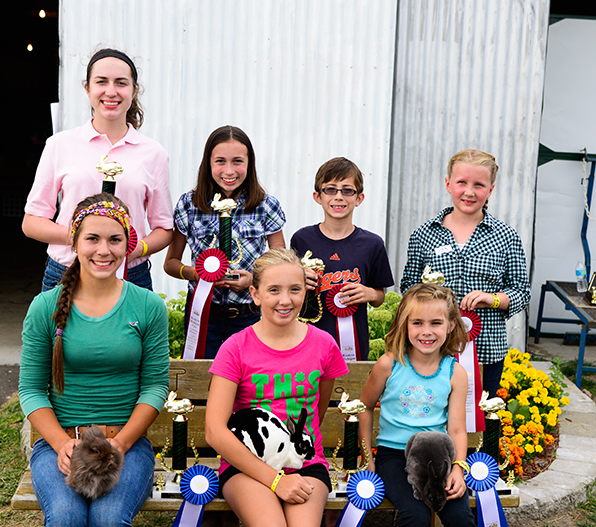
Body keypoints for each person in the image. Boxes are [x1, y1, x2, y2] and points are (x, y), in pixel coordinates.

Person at [19, 193, 169, 527]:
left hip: (126, 442)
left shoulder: (147, 305)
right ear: (75, 241)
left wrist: (120, 442)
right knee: (66, 524)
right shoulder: (46, 306)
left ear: (128, 245)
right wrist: (60, 443)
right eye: (92, 239)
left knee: (107, 524)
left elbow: (155, 386)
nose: (104, 250)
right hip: (60, 443)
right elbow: (31, 390)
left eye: (115, 240)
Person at [205, 248, 352, 527]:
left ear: (306, 291)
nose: (285, 300)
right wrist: (274, 479)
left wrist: (294, 465)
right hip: (246, 467)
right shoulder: (236, 347)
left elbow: (317, 408)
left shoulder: (324, 345)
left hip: (305, 465)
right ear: (254, 294)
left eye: (295, 289)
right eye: (273, 290)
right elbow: (214, 431)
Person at [358, 284, 483, 527]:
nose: (426, 332)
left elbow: (456, 429)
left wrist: (457, 467)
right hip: (394, 458)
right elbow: (364, 407)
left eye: (436, 323)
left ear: (451, 325)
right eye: (418, 323)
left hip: (438, 459)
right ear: (404, 323)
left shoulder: (455, 373)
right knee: (415, 515)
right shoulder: (389, 364)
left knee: (460, 516)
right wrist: (366, 458)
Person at [23, 47, 173, 292]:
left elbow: (164, 228)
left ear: (134, 91)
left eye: (121, 83)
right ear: (87, 89)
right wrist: (78, 238)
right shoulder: (59, 145)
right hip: (66, 271)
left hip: (129, 274)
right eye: (101, 82)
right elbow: (31, 222)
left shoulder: (154, 154)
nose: (111, 92)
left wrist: (137, 248)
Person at [400, 149, 531, 397]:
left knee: (480, 427)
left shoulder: (507, 237)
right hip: (431, 350)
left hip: (486, 352)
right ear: (449, 184)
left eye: (479, 185)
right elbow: (408, 287)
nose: (469, 192)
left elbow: (521, 292)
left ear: (490, 190)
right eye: (462, 182)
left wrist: (491, 299)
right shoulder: (423, 235)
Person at [164, 125, 286, 358]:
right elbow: (170, 263)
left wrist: (254, 279)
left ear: (249, 164)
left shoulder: (266, 205)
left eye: (237, 161)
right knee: (200, 382)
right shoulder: (189, 204)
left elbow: (281, 266)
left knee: (249, 384)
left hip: (250, 313)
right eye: (220, 161)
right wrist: (196, 274)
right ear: (208, 163)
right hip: (202, 313)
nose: (229, 170)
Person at [290, 157, 394, 361]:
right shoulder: (301, 239)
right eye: (330, 189)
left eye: (347, 190)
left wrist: (369, 293)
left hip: (352, 345)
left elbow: (380, 297)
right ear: (317, 196)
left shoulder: (372, 244)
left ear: (359, 198)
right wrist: (298, 281)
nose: (338, 197)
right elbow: (287, 288)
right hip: (306, 339)